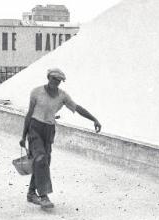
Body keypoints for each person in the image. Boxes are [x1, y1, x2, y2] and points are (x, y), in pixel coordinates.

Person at [19, 68, 101, 209]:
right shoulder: (36, 92)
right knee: (40, 159)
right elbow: (29, 114)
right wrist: (23, 136)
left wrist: (94, 119)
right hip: (35, 128)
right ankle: (43, 196)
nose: (56, 83)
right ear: (48, 78)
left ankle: (31, 193)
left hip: (49, 130)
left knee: (43, 162)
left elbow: (77, 108)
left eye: (59, 80)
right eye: (54, 79)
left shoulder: (62, 96)